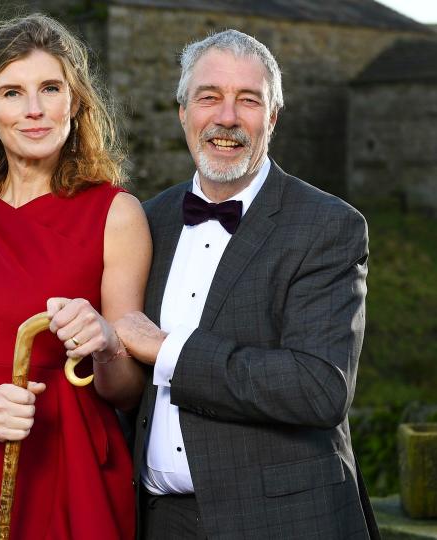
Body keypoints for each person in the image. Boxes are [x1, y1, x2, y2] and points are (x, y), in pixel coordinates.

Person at [109, 30, 380, 539]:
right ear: (183, 111)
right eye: (209, 97)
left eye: (248, 101)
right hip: (155, 522)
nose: (227, 117)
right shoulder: (145, 222)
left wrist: (167, 350)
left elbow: (319, 388)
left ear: (272, 117)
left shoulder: (328, 226)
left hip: (282, 523)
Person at [0, 13, 150, 538]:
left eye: (50, 88)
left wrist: (107, 345)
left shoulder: (117, 214)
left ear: (76, 100)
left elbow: (129, 390)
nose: (35, 109)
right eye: (12, 92)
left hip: (76, 464)